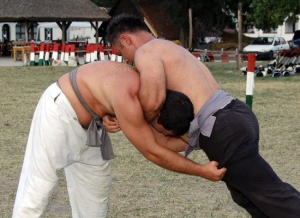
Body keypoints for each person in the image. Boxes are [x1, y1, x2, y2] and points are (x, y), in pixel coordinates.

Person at [106, 14, 300, 217]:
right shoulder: (172, 48)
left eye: (121, 53)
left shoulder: (147, 51)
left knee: (275, 197)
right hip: (234, 113)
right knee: (250, 198)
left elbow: (153, 101)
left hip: (222, 128)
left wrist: (127, 115)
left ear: (126, 39)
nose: (126, 60)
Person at [13, 61, 225, 218]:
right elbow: (154, 150)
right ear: (158, 115)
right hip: (59, 112)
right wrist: (201, 171)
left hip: (92, 129)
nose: (165, 137)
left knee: (95, 198)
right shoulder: (131, 99)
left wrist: (200, 140)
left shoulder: (159, 98)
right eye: (164, 131)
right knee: (38, 188)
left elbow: (164, 142)